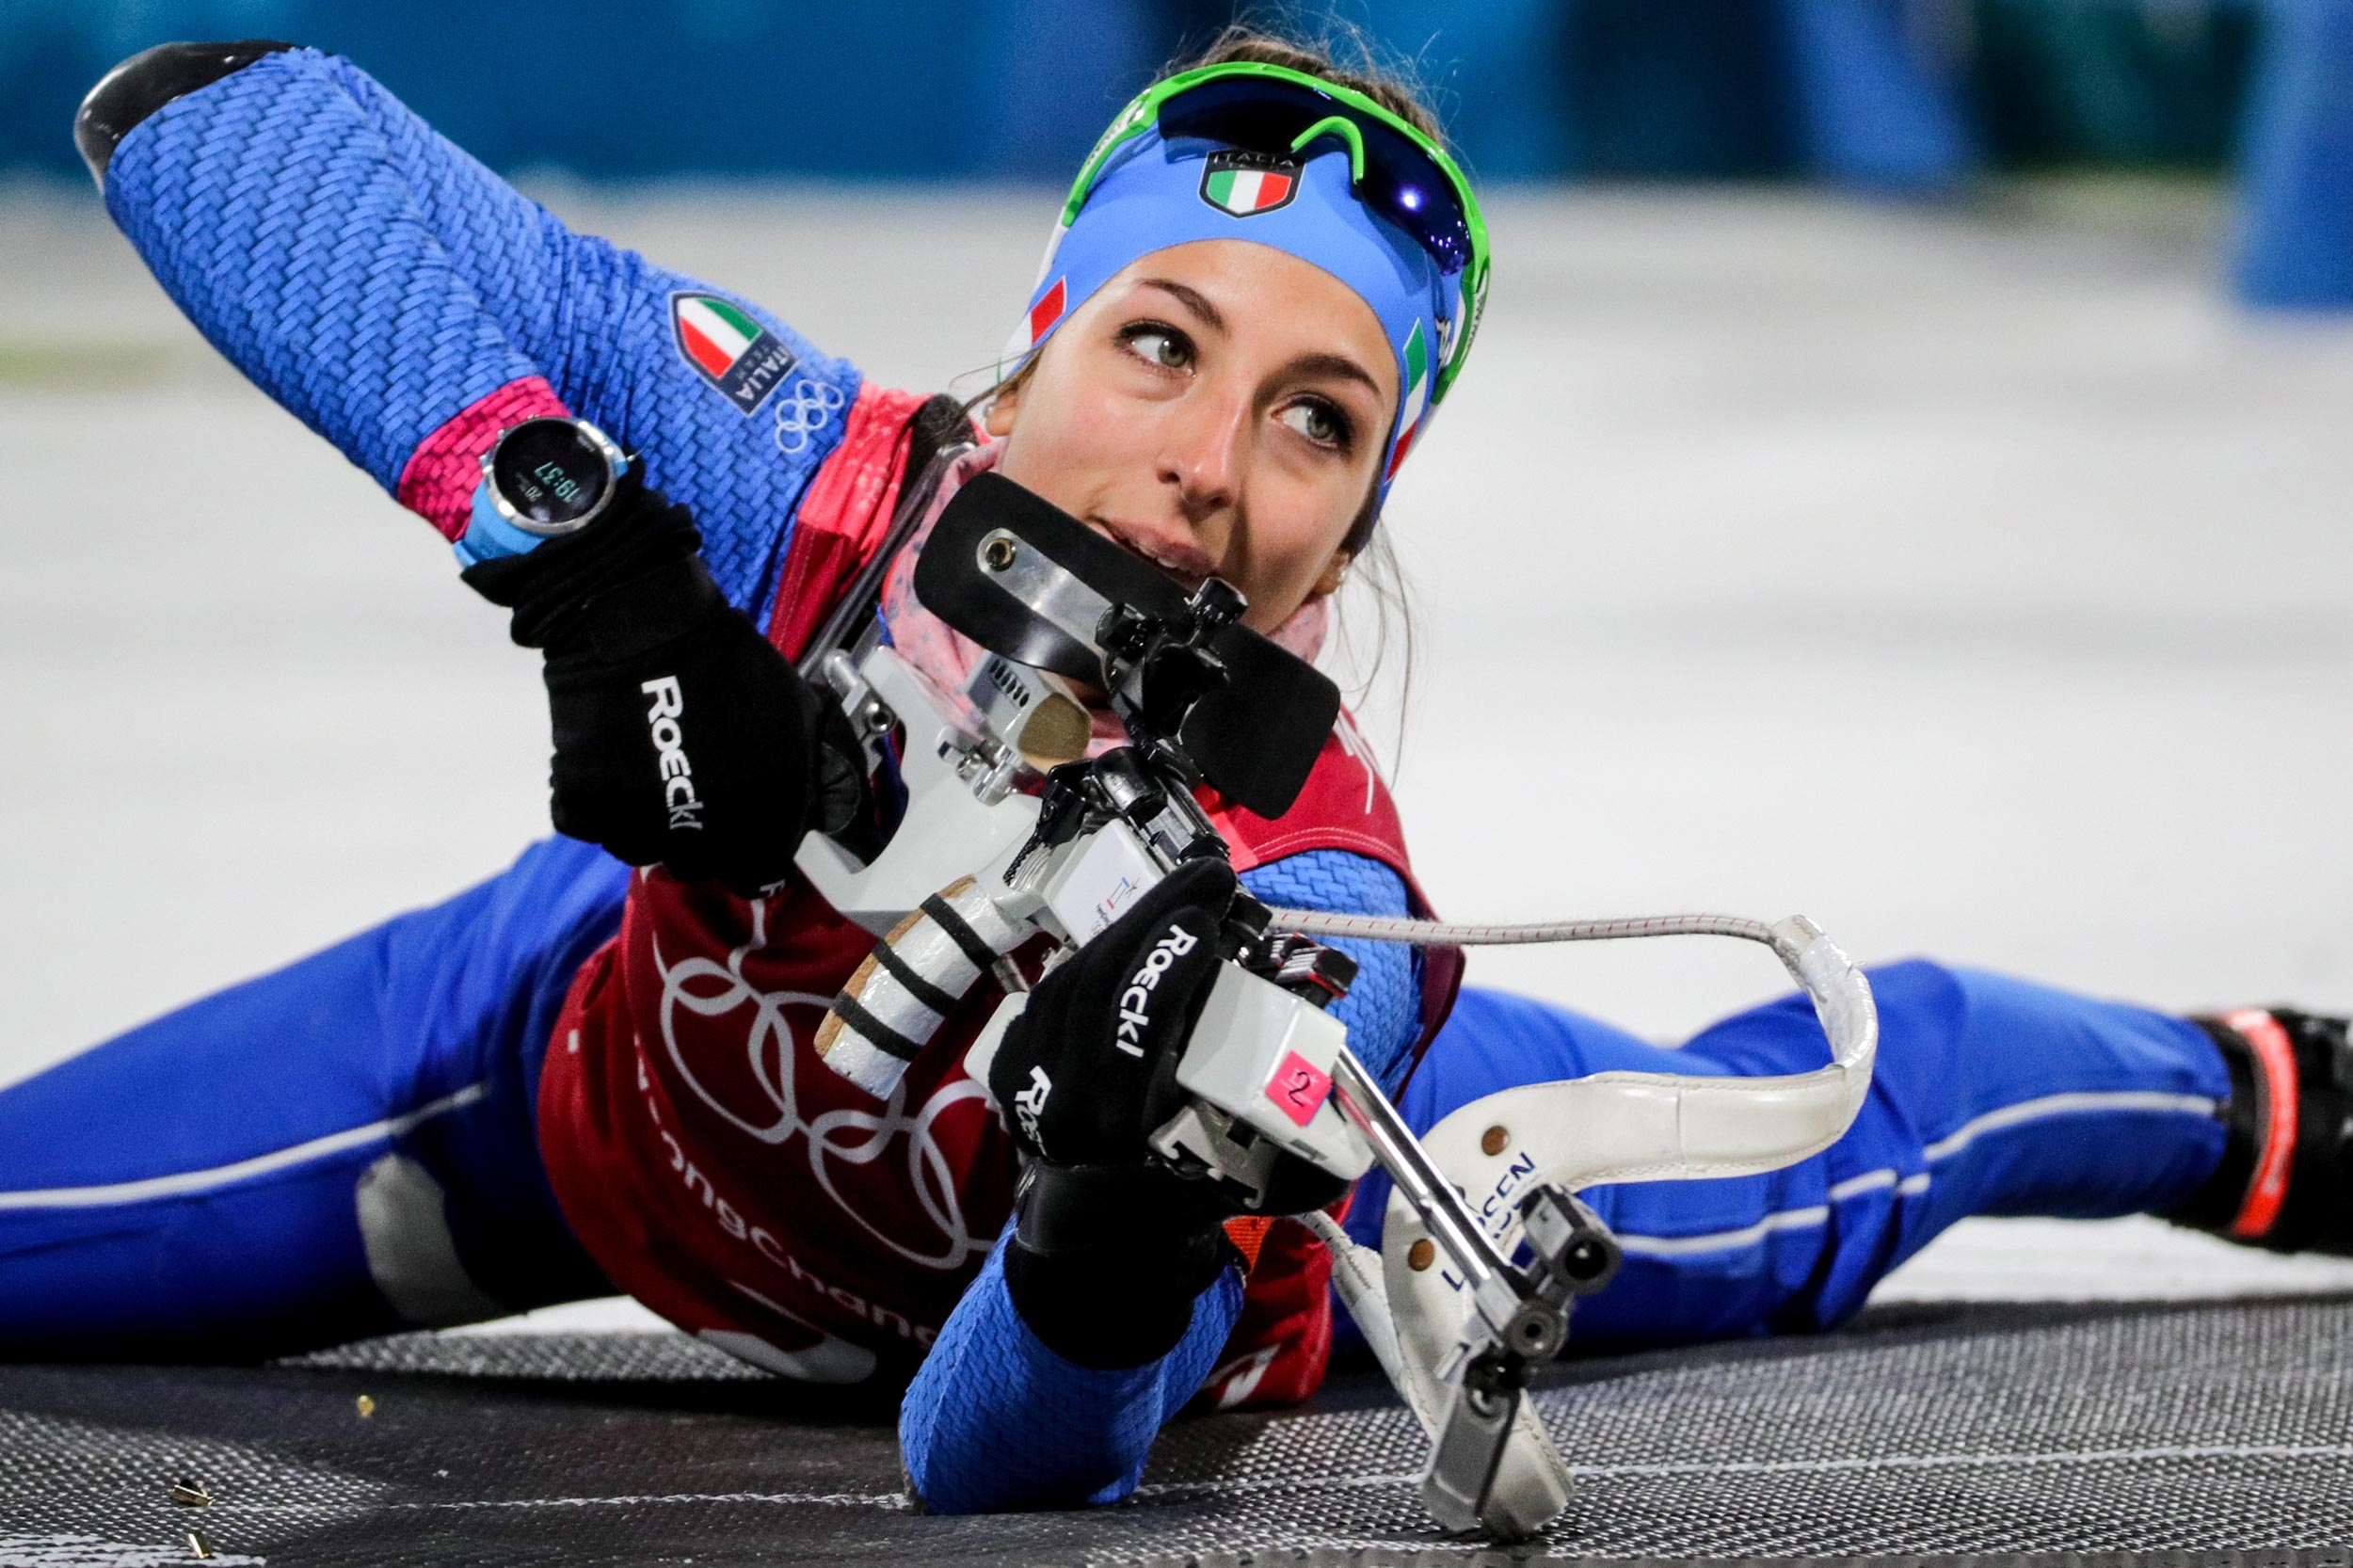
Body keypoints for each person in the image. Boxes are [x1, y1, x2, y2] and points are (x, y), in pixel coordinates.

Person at [6, 25, 2347, 1516]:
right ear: (1033, 342)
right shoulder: (801, 473)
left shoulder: (1317, 901)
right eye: (1157, 343)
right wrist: (592, 562)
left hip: (1151, 1232)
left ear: (1361, 514)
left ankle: (2250, 1097)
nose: (1205, 462)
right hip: (553, 1094)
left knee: (1848, 1127)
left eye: (1314, 417)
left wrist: (1110, 1229)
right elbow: (211, 117)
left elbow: (990, 1463)